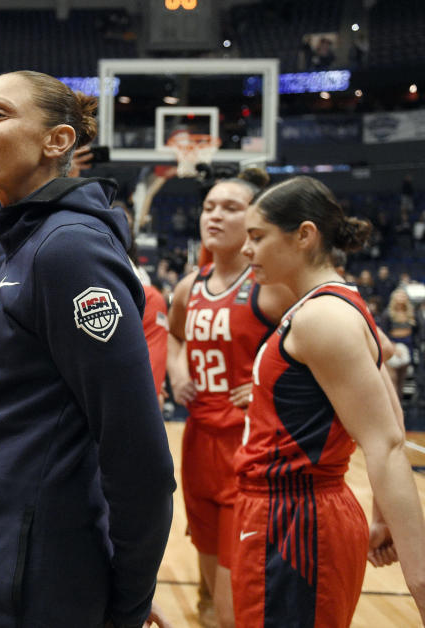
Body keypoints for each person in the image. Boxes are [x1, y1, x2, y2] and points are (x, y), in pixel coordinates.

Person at [0, 70, 175, 628]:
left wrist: (127, 601)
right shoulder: (25, 242)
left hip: (27, 589)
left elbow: (137, 452)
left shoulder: (67, 251)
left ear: (57, 141)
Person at [235, 176, 425, 626]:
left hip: (295, 521)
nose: (247, 250)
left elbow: (386, 443)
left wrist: (419, 582)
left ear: (304, 235)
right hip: (291, 513)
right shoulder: (330, 305)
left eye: (257, 237)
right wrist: (377, 514)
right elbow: (390, 411)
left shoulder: (322, 318)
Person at [166, 168, 293, 628]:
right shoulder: (188, 287)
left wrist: (266, 383)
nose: (214, 216)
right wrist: (177, 372)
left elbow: (320, 345)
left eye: (230, 208)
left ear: (255, 219)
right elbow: (176, 339)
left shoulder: (271, 289)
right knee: (207, 596)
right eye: (208, 207)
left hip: (250, 449)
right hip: (198, 443)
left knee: (232, 605)